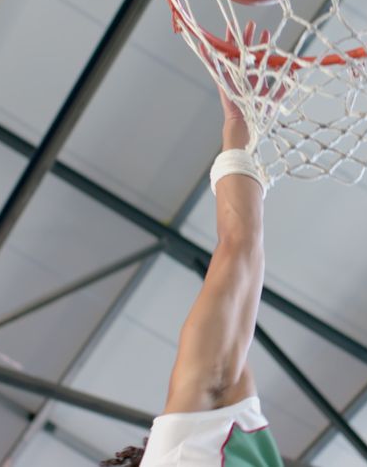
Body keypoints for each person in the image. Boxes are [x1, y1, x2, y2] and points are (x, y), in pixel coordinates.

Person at [104, 24, 283, 467]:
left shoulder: (181, 453)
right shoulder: (187, 447)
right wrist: (239, 133)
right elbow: (241, 246)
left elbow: (241, 248)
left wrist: (239, 131)